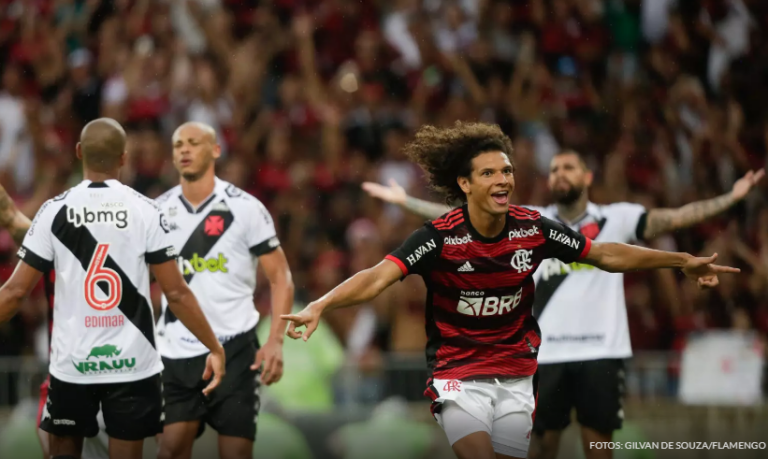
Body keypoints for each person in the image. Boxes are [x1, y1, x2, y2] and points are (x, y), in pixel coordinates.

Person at [281, 122, 738, 459]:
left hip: (516, 378)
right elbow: (378, 276)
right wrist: (321, 303)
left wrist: (680, 262)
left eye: (507, 171)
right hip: (458, 375)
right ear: (465, 184)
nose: (503, 180)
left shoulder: (534, 228)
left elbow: (606, 254)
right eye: (489, 174)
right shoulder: (439, 237)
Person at [0, 118, 226, 459]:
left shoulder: (53, 212)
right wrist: (214, 346)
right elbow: (176, 293)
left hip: (74, 365)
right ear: (124, 157)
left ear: (79, 153)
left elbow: (15, 293)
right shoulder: (147, 212)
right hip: (133, 367)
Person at [155, 122, 294, 459]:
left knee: (235, 454)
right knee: (171, 449)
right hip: (175, 351)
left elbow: (281, 277)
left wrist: (275, 339)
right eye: (178, 145)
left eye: (193, 143)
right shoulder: (155, 211)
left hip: (235, 347)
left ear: (216, 150)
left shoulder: (245, 208)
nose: (184, 150)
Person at [0, 182, 110, 459]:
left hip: (69, 374)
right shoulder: (132, 247)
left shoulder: (52, 243)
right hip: (120, 374)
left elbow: (10, 216)